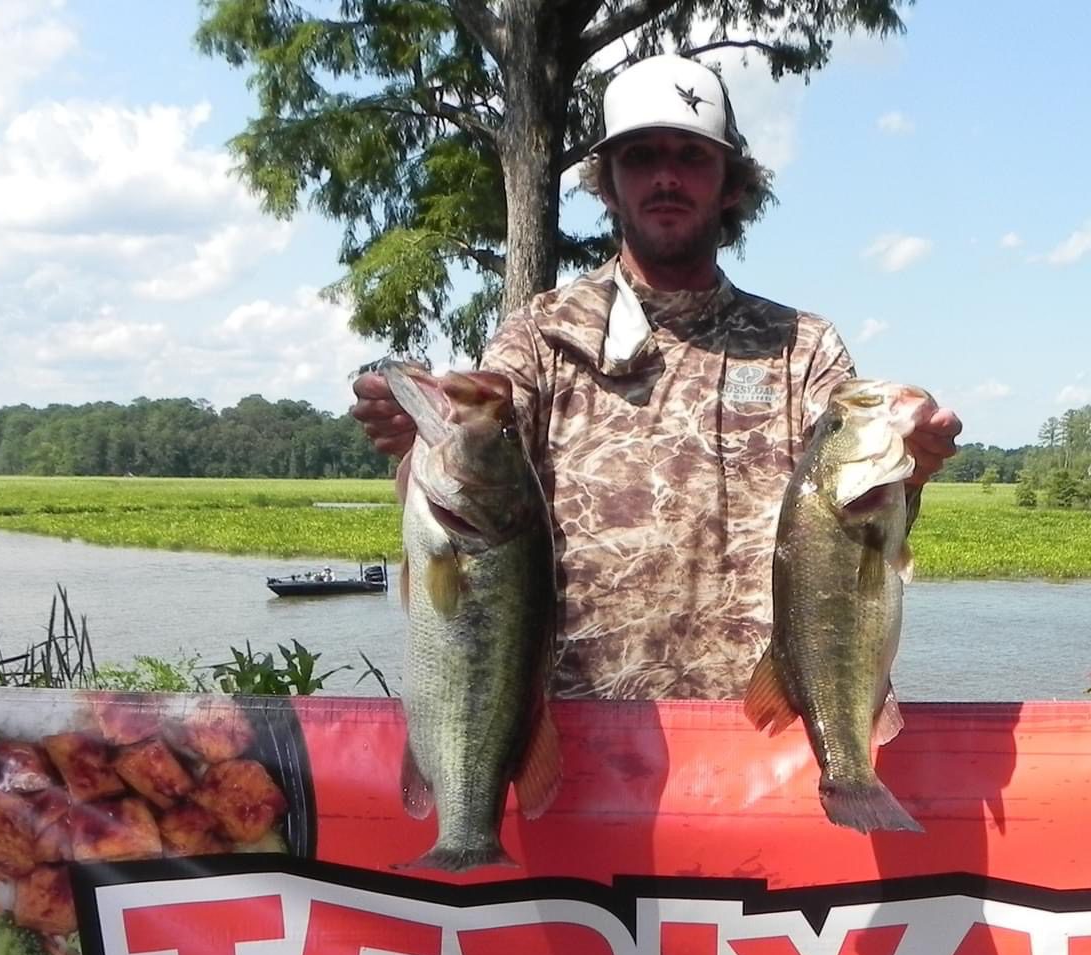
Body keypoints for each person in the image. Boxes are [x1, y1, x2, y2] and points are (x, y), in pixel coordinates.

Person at [351, 54, 960, 700]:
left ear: (731, 182)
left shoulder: (801, 347)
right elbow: (473, 483)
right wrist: (420, 436)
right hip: (575, 736)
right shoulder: (542, 335)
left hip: (760, 737)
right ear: (608, 186)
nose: (666, 177)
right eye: (640, 157)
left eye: (692, 156)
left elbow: (855, 503)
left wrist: (908, 460)